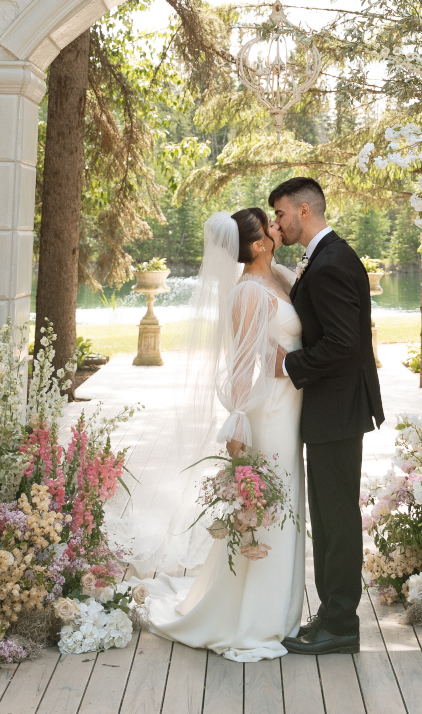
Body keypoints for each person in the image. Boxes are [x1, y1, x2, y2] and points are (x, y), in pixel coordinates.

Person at [142, 208, 306, 661]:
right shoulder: (249, 293)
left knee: (290, 504)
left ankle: (283, 614)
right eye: (271, 225)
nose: (279, 226)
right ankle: (255, 620)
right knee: (271, 509)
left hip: (293, 408)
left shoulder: (281, 275)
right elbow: (239, 366)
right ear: (257, 245)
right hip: (270, 412)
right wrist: (237, 426)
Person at [269, 175, 384, 657]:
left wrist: (290, 365)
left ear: (303, 211)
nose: (277, 222)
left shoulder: (332, 262)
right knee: (329, 513)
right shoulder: (325, 255)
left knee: (335, 517)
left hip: (336, 407)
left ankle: (340, 623)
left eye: (280, 214)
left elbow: (343, 342)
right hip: (333, 406)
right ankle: (333, 614)